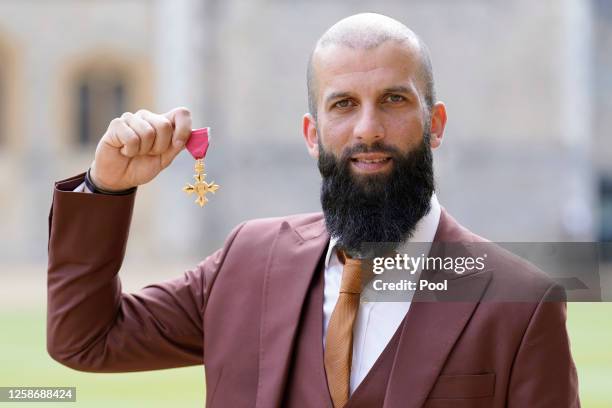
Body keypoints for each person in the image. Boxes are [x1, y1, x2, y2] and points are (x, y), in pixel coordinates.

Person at [47, 13, 580, 408]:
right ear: (312, 134)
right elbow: (85, 339)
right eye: (343, 104)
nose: (368, 128)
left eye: (394, 100)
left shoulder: (522, 302)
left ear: (435, 123)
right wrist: (106, 188)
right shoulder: (247, 261)